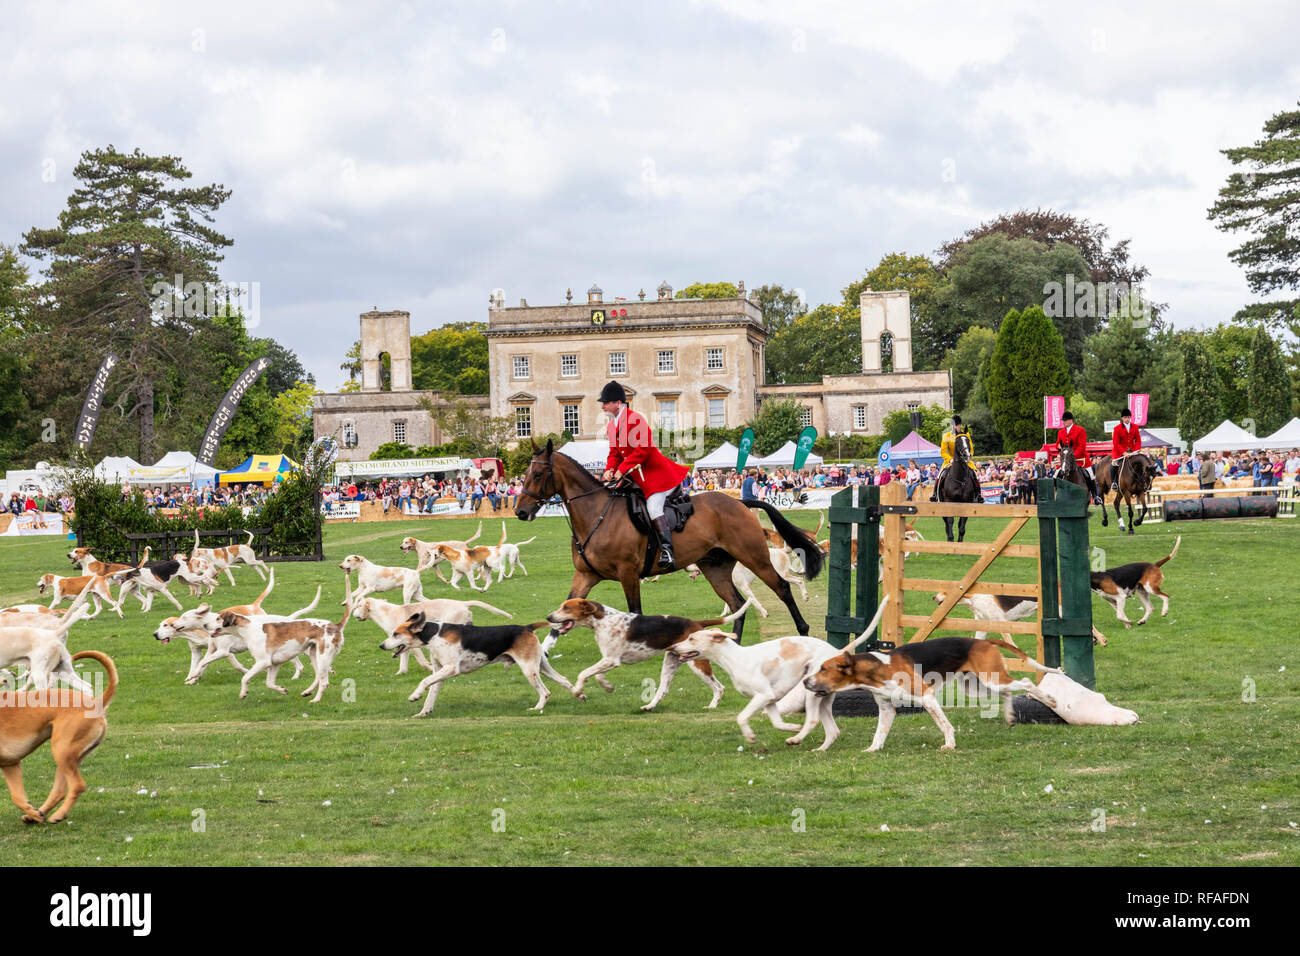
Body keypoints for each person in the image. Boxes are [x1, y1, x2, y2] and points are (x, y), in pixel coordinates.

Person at [599, 380, 690, 571]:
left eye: (606, 402)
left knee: (653, 507)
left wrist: (622, 469)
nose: (603, 405)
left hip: (657, 475)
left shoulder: (635, 419)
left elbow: (644, 448)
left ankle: (667, 551)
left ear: (617, 403)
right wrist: (609, 469)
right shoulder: (611, 426)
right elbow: (614, 453)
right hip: (636, 477)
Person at [931, 415, 973, 501]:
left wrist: (969, 456)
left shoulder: (966, 434)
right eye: (952, 425)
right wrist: (950, 459)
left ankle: (978, 495)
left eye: (956, 425)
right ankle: (935, 495)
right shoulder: (947, 436)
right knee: (940, 476)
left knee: (974, 475)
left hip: (965, 460)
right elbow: (943, 452)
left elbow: (970, 448)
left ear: (960, 425)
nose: (954, 427)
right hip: (950, 461)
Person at [1110, 407, 1142, 493]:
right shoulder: (1117, 428)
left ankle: (1141, 481)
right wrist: (1124, 453)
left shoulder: (1135, 427)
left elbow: (1138, 440)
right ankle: (1114, 482)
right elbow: (1116, 443)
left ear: (1130, 417)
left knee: (1141, 462)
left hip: (1132, 451)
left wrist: (1136, 450)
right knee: (1113, 465)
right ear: (1122, 418)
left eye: (1128, 417)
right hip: (1119, 452)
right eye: (1125, 417)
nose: (1127, 419)